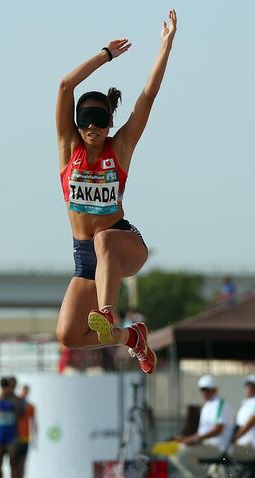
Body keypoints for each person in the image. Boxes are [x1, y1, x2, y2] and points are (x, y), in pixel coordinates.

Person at [54, 10, 178, 375]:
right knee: (67, 335)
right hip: (85, 258)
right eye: (85, 121)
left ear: (110, 123)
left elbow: (147, 96)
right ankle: (131, 339)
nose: (92, 128)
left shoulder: (119, 147)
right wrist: (105, 55)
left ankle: (107, 311)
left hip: (123, 243)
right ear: (77, 125)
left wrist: (166, 46)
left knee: (104, 239)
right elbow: (64, 87)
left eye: (100, 121)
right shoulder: (68, 149)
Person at [170, 375, 235, 478]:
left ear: (215, 389)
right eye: (202, 389)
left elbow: (218, 429)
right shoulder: (208, 405)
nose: (204, 392)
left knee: (182, 452)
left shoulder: (220, 405)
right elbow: (202, 433)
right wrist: (186, 439)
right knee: (172, 450)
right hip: (205, 445)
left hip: (217, 447)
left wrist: (193, 439)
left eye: (207, 389)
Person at [230, 375, 255, 462]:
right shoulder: (246, 403)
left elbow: (250, 423)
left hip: (253, 446)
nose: (247, 388)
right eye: (246, 386)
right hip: (242, 444)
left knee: (227, 451)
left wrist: (234, 438)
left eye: (250, 386)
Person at [15, 384, 37, 478]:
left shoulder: (30, 406)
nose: (24, 393)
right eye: (23, 391)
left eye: (26, 391)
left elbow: (34, 422)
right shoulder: (15, 404)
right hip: (14, 437)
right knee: (14, 461)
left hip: (25, 437)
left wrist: (35, 436)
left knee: (22, 462)